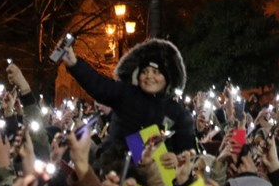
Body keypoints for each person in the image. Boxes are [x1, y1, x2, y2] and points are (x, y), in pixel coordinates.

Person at [62, 38, 196, 155]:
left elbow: (186, 151)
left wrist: (175, 158)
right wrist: (75, 64)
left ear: (168, 78)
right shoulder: (125, 93)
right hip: (116, 172)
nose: (149, 76)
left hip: (155, 179)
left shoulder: (179, 113)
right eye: (144, 71)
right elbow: (99, 84)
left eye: (156, 72)